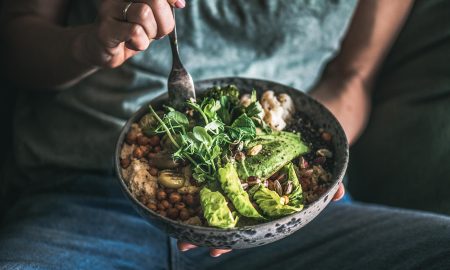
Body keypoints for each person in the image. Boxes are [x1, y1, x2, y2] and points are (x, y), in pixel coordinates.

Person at [0, 0, 449, 269]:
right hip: (83, 196)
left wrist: (308, 174)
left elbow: (353, 76)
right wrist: (89, 44)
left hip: (291, 223)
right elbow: (17, 45)